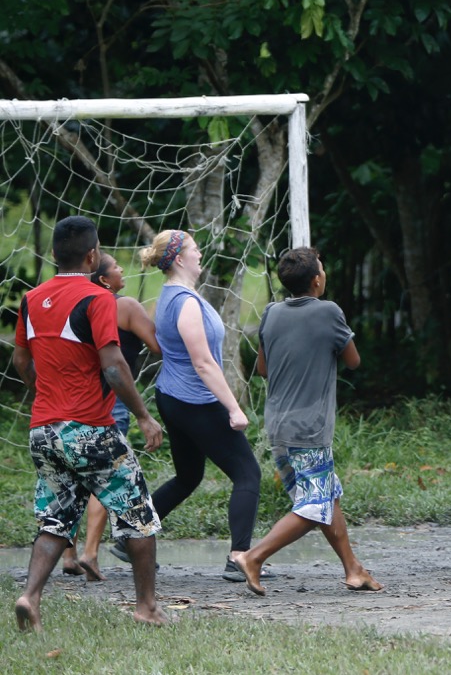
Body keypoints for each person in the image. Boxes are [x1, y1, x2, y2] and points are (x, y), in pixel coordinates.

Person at [11, 216, 167, 630]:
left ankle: (30, 596)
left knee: (56, 519)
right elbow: (114, 366)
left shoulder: (31, 299)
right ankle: (147, 607)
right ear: (93, 255)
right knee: (137, 514)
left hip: (43, 430)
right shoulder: (97, 299)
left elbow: (21, 360)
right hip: (89, 428)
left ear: (53, 255)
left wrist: (44, 393)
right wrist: (143, 415)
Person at [230, 247, 381, 595]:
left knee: (327, 495)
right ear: (317, 280)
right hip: (309, 428)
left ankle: (353, 569)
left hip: (277, 424)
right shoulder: (329, 312)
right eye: (323, 270)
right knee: (314, 504)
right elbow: (353, 360)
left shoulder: (271, 313)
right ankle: (254, 557)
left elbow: (264, 369)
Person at [139, 229, 264, 582]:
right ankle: (240, 557)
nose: (199, 253)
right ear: (179, 259)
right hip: (195, 402)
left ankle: (133, 532)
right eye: (194, 249)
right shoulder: (186, 302)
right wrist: (234, 408)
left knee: (188, 476)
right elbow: (204, 363)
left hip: (173, 398)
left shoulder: (171, 295)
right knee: (246, 473)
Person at [60, 252, 161, 581]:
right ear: (103, 278)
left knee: (73, 478)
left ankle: (69, 554)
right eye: (116, 267)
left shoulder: (79, 305)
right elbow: (159, 345)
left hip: (73, 400)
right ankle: (91, 552)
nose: (122, 270)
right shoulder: (126, 305)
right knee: (101, 479)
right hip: (111, 400)